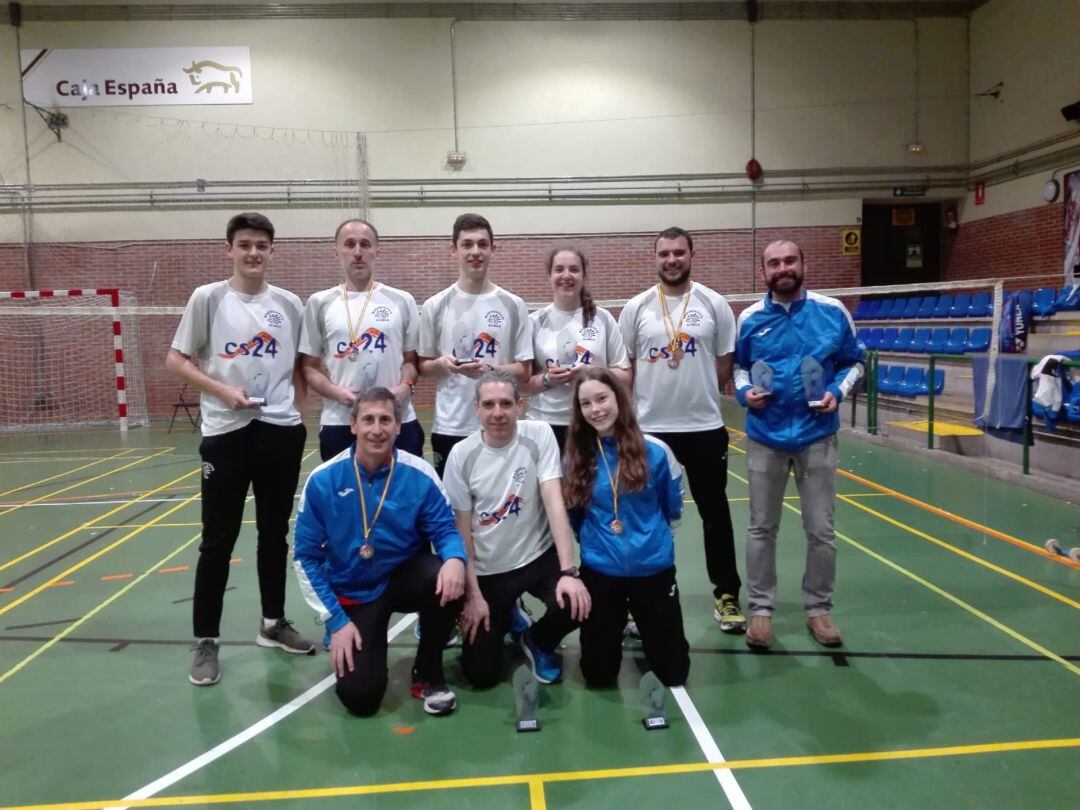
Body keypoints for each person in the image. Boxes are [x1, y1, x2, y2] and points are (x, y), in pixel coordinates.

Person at [166, 211, 315, 687]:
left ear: (272, 251)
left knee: (274, 535)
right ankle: (206, 640)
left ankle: (273, 624)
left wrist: (294, 415)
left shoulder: (290, 304)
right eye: (245, 244)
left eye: (262, 245)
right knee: (218, 540)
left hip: (279, 432)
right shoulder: (208, 298)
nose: (254, 253)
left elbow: (300, 365)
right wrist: (222, 392)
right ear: (228, 249)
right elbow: (176, 359)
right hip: (226, 433)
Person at [292, 388, 467, 716]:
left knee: (445, 574)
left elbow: (445, 529)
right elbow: (305, 557)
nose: (377, 429)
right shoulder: (323, 480)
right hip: (354, 593)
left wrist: (456, 559)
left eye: (385, 420)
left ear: (399, 427)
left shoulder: (419, 473)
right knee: (361, 698)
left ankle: (428, 673)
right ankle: (358, 642)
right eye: (368, 420)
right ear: (353, 425)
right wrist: (336, 620)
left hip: (403, 579)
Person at [733, 239, 864, 650]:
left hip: (817, 437)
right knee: (760, 529)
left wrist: (838, 393)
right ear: (764, 273)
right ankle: (760, 611)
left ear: (803, 263)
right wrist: (744, 394)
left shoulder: (832, 311)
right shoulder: (750, 318)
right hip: (765, 438)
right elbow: (738, 368)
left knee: (821, 530)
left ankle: (819, 609)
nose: (782, 268)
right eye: (774, 263)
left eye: (790, 260)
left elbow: (855, 363)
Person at [618, 226, 745, 633]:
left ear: (692, 254)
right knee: (646, 518)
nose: (671, 260)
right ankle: (640, 598)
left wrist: (699, 394)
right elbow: (628, 369)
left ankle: (726, 594)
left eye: (678, 253)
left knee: (715, 513)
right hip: (651, 430)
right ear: (654, 258)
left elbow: (724, 362)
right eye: (664, 254)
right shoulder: (636, 308)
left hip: (705, 426)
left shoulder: (714, 303)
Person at [442, 369, 591, 686]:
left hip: (538, 558)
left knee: (578, 603)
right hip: (489, 571)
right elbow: (462, 533)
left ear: (519, 406)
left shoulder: (538, 435)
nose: (498, 413)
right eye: (489, 404)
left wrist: (568, 573)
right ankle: (508, 612)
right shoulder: (461, 456)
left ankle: (538, 640)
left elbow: (554, 502)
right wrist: (473, 596)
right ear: (477, 409)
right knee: (481, 675)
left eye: (506, 404)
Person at [563, 368, 690, 687]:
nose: (596, 409)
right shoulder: (577, 458)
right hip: (602, 572)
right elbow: (574, 516)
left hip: (653, 569)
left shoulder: (656, 451)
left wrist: (652, 544)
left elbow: (673, 507)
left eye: (602, 398)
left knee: (674, 673)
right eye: (586, 403)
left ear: (619, 399)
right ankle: (620, 625)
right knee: (598, 675)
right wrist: (597, 546)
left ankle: (646, 626)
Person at [418, 214, 532, 478]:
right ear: (453, 250)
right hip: (451, 426)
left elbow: (524, 369)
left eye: (482, 244)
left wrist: (491, 370)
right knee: (454, 511)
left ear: (494, 248)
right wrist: (443, 365)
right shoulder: (435, 305)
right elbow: (423, 366)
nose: (475, 251)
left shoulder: (513, 305)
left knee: (502, 507)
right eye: (467, 244)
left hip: (500, 423)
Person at [300, 218, 423, 461]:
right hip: (340, 420)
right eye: (350, 244)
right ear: (337, 252)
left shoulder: (402, 300)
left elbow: (411, 360)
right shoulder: (319, 303)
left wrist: (404, 388)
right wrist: (335, 392)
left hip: (396, 417)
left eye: (365, 244)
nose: (358, 252)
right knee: (345, 497)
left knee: (404, 495)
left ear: (377, 250)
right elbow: (308, 366)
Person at [525, 246, 631, 450]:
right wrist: (547, 379)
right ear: (549, 275)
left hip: (594, 421)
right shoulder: (534, 322)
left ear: (583, 275)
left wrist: (595, 373)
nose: (566, 275)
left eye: (574, 269)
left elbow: (625, 377)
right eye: (559, 269)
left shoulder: (602, 319)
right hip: (546, 424)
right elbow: (522, 385)